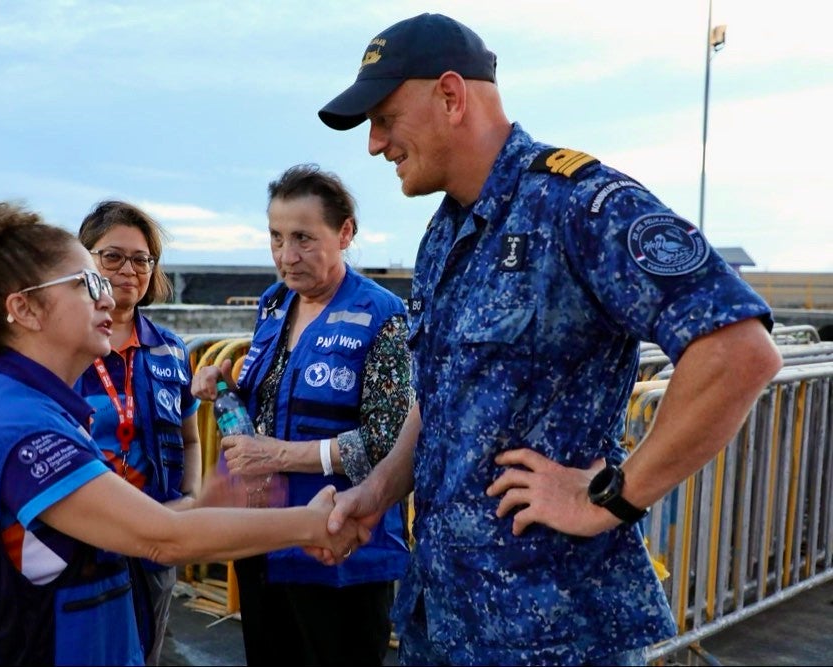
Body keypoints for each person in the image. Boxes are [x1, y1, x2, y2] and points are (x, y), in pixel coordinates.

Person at [316, 13, 784, 666]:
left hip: (553, 633)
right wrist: (379, 489)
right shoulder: (443, 236)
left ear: (450, 96)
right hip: (442, 620)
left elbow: (737, 351)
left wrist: (610, 496)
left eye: (386, 118)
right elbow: (441, 396)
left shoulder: (580, 204)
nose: (375, 144)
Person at [0, 198, 367, 666]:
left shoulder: (2, 402)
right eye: (88, 282)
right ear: (24, 309)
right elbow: (164, 538)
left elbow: (139, 524)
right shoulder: (26, 431)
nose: (107, 296)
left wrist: (199, 504)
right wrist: (312, 524)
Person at [191, 164, 412, 666]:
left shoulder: (383, 316)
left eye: (303, 239)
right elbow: (269, 408)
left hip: (339, 549)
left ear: (345, 233)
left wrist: (279, 455)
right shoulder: (274, 305)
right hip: (264, 541)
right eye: (276, 237)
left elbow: (388, 443)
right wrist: (223, 388)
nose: (286, 256)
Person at [74, 200, 200, 665]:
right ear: (83, 260)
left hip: (154, 539)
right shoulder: (66, 346)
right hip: (83, 542)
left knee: (146, 653)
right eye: (113, 256)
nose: (129, 270)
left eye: (142, 259)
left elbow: (190, 438)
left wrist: (191, 500)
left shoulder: (171, 350)